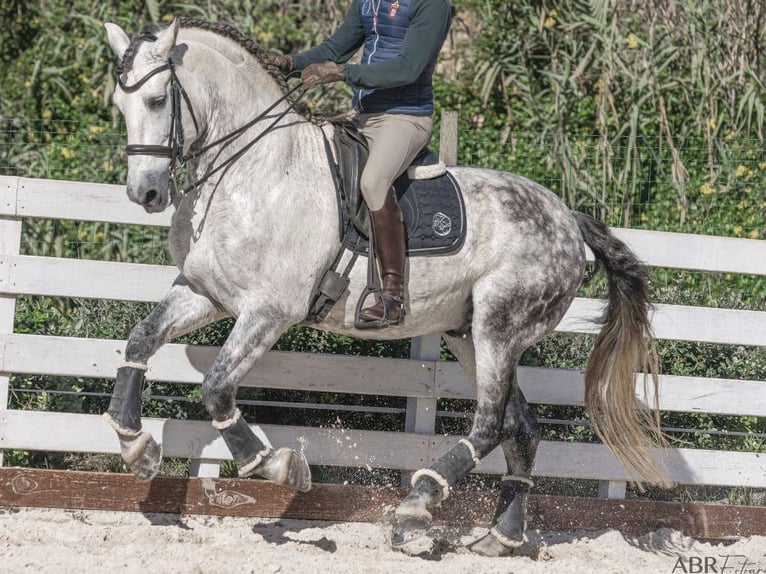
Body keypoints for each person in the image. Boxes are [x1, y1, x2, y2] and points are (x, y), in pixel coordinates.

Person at [267, 0, 452, 327]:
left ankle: (393, 296)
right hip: (362, 116)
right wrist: (288, 62)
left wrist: (342, 73)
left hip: (405, 118)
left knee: (373, 182)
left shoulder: (432, 4)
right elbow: (334, 48)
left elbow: (407, 68)